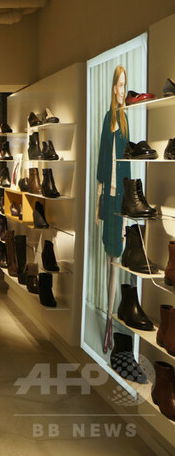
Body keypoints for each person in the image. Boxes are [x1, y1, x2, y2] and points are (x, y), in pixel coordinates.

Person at [95, 64, 131, 353]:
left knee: (116, 258)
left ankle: (110, 318)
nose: (123, 90)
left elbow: (127, 164)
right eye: (119, 84)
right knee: (109, 258)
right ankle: (108, 317)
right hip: (108, 198)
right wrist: (97, 204)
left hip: (120, 201)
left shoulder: (126, 121)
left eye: (125, 85)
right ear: (112, 88)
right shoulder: (109, 119)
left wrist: (128, 207)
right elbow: (101, 159)